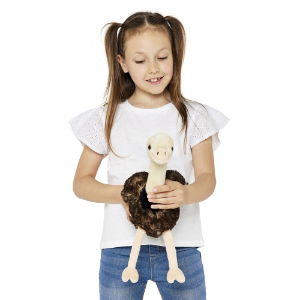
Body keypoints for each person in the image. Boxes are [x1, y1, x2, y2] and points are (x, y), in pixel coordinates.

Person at [69, 11, 230, 300]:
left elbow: (208, 180)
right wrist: (130, 194)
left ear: (175, 56)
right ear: (123, 63)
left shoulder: (195, 116)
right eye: (140, 61)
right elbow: (81, 182)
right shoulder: (106, 117)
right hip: (121, 249)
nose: (153, 69)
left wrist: (185, 193)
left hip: (181, 248)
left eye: (162, 57)